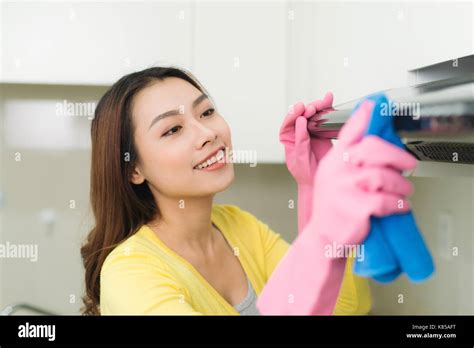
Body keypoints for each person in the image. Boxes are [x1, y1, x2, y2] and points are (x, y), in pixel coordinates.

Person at [81, 66, 416, 315]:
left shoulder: (238, 226)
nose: (207, 133)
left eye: (207, 112)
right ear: (133, 169)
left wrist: (315, 188)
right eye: (173, 129)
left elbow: (342, 310)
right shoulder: (129, 271)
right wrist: (327, 223)